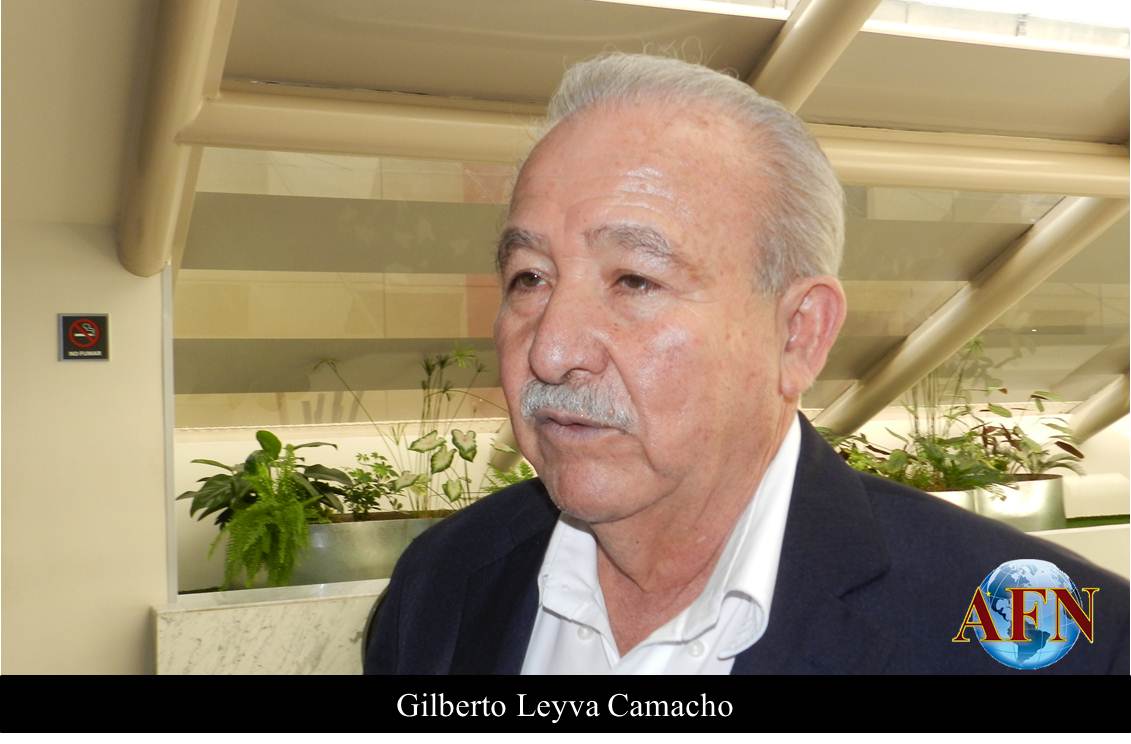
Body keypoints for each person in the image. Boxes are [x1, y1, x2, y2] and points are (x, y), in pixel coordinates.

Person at [364, 53, 1129, 674]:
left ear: (798, 335)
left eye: (633, 280)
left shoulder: (1054, 640)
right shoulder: (441, 584)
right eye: (529, 278)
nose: (551, 349)